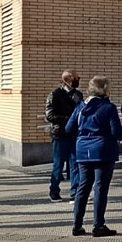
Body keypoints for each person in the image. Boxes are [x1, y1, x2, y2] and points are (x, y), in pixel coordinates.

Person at [66, 76, 122, 237]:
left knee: (82, 188)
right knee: (100, 188)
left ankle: (77, 225)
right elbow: (117, 133)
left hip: (83, 150)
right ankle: (98, 225)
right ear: (105, 89)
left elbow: (69, 128)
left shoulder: (80, 107)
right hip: (103, 150)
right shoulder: (108, 107)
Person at [46, 70, 83, 202]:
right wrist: (69, 119)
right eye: (76, 78)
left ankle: (75, 191)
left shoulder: (78, 94)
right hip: (60, 134)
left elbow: (82, 111)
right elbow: (50, 115)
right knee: (58, 164)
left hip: (74, 134)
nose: (78, 79)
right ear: (68, 79)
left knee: (75, 164)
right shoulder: (55, 94)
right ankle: (54, 191)